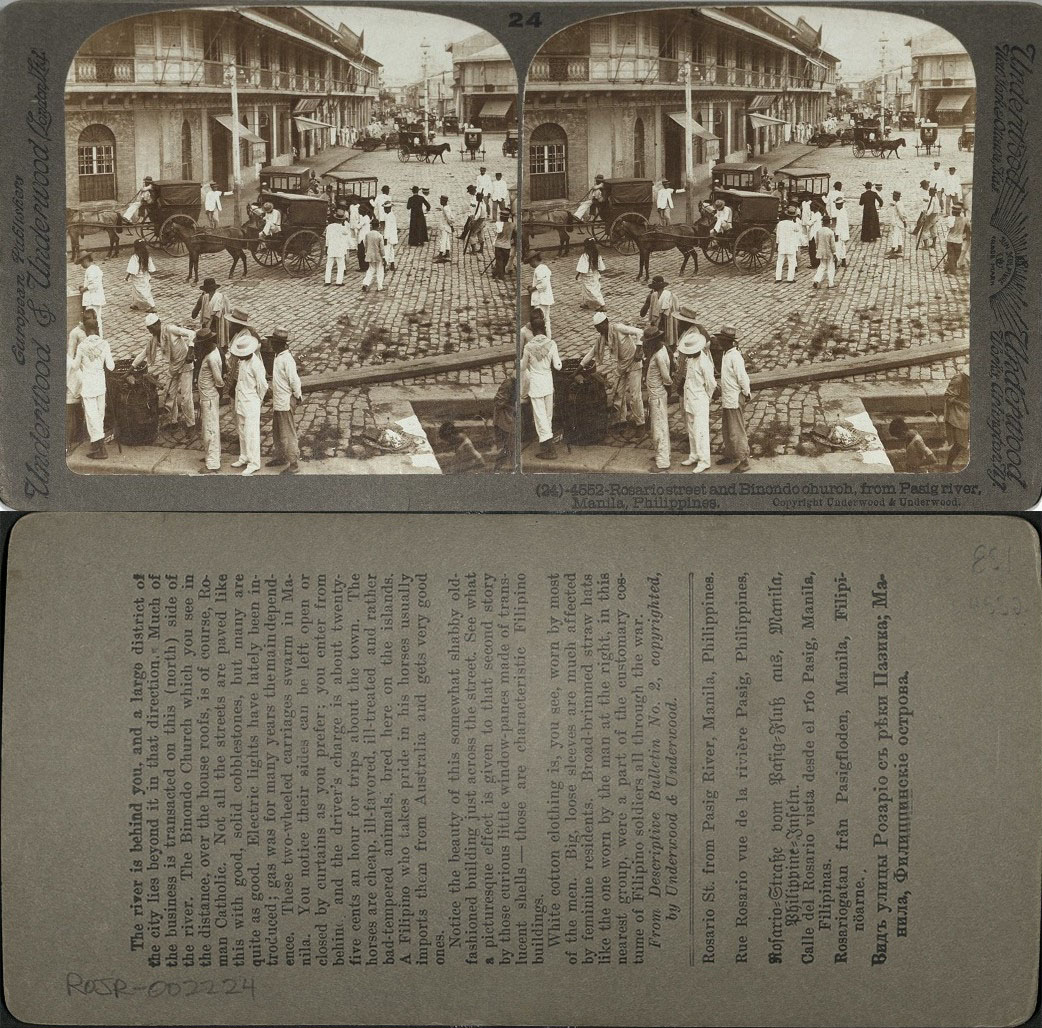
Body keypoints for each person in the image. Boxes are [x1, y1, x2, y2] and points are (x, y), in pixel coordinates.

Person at [133, 313, 197, 442]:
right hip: (173, 367)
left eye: (152, 328)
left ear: (158, 324)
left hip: (185, 365)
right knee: (169, 394)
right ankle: (173, 422)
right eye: (148, 329)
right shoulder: (155, 339)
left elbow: (192, 334)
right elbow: (144, 353)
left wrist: (191, 350)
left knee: (186, 397)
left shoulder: (171, 329)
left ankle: (191, 426)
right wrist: (132, 366)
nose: (150, 332)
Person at [580, 312, 645, 430]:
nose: (598, 330)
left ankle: (640, 423)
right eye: (596, 328)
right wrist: (579, 368)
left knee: (635, 396)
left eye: (599, 327)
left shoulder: (618, 328)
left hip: (634, 363)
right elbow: (592, 352)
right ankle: (622, 420)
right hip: (621, 366)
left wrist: (638, 350)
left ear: (606, 323)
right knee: (618, 394)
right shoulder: (603, 338)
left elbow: (639, 332)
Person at [229, 319, 267, 476]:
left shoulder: (256, 364)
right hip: (241, 401)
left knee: (251, 433)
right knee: (242, 431)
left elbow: (263, 386)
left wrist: (258, 400)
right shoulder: (242, 362)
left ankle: (254, 462)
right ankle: (244, 456)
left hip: (251, 402)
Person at [519, 323, 562, 460]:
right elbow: (558, 366)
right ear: (544, 330)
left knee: (540, 416)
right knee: (548, 415)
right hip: (548, 383)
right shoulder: (552, 343)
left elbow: (523, 367)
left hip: (536, 385)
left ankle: (550, 449)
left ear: (532, 332)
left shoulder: (528, 347)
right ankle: (545, 443)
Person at [677, 326, 716, 473]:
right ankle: (694, 455)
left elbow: (711, 383)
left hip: (700, 400)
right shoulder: (690, 360)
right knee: (692, 429)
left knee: (701, 431)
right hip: (690, 399)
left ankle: (704, 460)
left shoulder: (704, 362)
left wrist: (706, 397)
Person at [71, 331, 114, 460]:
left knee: (92, 415)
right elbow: (111, 367)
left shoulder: (82, 346)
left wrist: (73, 357)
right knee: (99, 415)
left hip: (89, 385)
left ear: (86, 331)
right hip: (100, 384)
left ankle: (101, 448)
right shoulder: (104, 344)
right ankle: (96, 444)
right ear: (97, 329)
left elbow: (74, 366)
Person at [268, 327, 302, 474]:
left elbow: (294, 380)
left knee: (287, 432)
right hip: (278, 400)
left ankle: (294, 463)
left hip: (285, 401)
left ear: (280, 344)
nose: (270, 345)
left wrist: (298, 395)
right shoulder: (278, 356)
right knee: (277, 431)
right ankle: (281, 456)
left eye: (273, 342)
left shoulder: (287, 359)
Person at [717, 326, 751, 473]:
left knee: (736, 430)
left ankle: (744, 460)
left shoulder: (735, 356)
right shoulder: (727, 354)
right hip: (727, 397)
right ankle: (731, 454)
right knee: (727, 428)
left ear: (729, 342)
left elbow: (742, 377)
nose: (719, 343)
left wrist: (746, 392)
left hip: (734, 397)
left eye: (721, 341)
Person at [66, 309, 98, 455]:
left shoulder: (94, 329)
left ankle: (84, 435)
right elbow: (70, 357)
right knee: (72, 407)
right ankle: (69, 441)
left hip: (90, 373)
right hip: (78, 374)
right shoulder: (75, 333)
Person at [644, 327, 673, 473]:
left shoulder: (659, 356)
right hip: (656, 394)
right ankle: (664, 454)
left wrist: (667, 386)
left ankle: (662, 462)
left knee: (659, 427)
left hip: (657, 395)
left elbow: (666, 378)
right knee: (661, 425)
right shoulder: (661, 351)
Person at [195, 329, 224, 474]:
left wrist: (216, 393)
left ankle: (213, 464)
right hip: (208, 396)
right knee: (210, 428)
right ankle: (213, 455)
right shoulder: (213, 352)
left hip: (209, 398)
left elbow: (219, 381)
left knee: (210, 430)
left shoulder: (212, 358)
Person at [943, 369, 970, 468]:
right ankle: (948, 465)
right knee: (960, 443)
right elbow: (948, 397)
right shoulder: (958, 379)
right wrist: (962, 404)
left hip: (966, 412)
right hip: (957, 413)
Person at [125, 239, 156, 312]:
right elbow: (150, 268)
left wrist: (127, 276)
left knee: (142, 292)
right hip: (144, 277)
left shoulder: (135, 257)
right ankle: (136, 304)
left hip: (137, 277)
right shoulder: (147, 256)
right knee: (136, 291)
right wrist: (149, 276)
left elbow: (131, 269)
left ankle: (153, 306)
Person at [78, 253, 106, 335]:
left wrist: (84, 289)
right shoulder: (95, 268)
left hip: (92, 299)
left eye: (81, 262)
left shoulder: (90, 270)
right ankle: (99, 335)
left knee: (91, 320)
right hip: (96, 298)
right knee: (97, 318)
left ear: (86, 260)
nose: (81, 265)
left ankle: (96, 335)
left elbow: (94, 284)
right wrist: (85, 286)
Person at [492, 374, 515, 468]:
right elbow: (499, 402)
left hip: (508, 421)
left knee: (508, 450)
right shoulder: (510, 383)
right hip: (506, 422)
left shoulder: (511, 382)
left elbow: (498, 402)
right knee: (508, 449)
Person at [575, 238, 606, 310]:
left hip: (587, 275)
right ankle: (586, 303)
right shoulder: (596, 254)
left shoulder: (585, 255)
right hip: (594, 274)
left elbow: (581, 267)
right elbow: (600, 266)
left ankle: (602, 305)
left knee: (591, 291)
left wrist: (578, 274)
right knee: (588, 289)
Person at [528, 252, 554, 338]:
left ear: (534, 260)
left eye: (530, 262)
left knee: (539, 321)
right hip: (545, 298)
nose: (530, 265)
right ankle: (548, 338)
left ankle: (542, 338)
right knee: (546, 320)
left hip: (540, 299)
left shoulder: (539, 269)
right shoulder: (544, 268)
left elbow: (543, 284)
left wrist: (532, 288)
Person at [324, 210, 350, 286]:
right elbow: (347, 232)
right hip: (339, 249)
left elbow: (327, 239)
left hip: (331, 248)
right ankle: (339, 281)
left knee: (328, 265)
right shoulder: (343, 228)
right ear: (342, 220)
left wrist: (326, 247)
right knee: (340, 266)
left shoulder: (329, 227)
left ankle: (327, 281)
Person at [775, 206, 800, 283]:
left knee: (779, 262)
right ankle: (790, 278)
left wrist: (777, 244)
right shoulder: (794, 224)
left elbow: (777, 235)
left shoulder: (780, 223)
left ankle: (778, 278)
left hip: (782, 245)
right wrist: (795, 221)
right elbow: (798, 229)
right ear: (793, 216)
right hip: (790, 246)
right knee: (792, 262)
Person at [812, 215, 837, 289]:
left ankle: (816, 280)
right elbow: (832, 244)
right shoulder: (830, 232)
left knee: (822, 266)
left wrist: (817, 250)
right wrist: (834, 253)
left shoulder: (819, 231)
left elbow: (816, 242)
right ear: (829, 223)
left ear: (822, 223)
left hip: (821, 252)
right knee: (830, 267)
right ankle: (831, 283)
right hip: (829, 253)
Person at [459, 185, 485, 254]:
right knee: (480, 234)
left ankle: (474, 250)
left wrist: (473, 220)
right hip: (482, 220)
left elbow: (478, 214)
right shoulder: (482, 203)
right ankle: (481, 249)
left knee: (472, 234)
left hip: (478, 220)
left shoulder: (479, 204)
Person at [946, 203, 970, 273]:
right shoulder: (965, 219)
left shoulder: (950, 219)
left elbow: (949, 227)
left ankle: (949, 267)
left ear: (953, 212)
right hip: (958, 241)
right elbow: (969, 226)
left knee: (950, 255)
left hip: (950, 240)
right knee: (956, 256)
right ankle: (952, 269)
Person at [361, 223, 386, 292]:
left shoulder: (367, 234)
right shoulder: (379, 236)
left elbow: (365, 244)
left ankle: (365, 283)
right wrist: (384, 256)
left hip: (370, 255)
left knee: (371, 269)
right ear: (378, 226)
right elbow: (382, 248)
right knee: (380, 270)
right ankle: (380, 287)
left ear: (371, 226)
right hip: (378, 256)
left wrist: (366, 252)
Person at [493, 211, 515, 280]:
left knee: (499, 260)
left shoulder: (498, 224)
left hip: (499, 245)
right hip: (507, 246)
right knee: (505, 260)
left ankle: (498, 274)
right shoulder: (512, 225)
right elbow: (514, 234)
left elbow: (497, 232)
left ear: (501, 217)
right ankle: (499, 273)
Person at [885, 190, 907, 258]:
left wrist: (904, 221)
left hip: (897, 222)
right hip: (897, 222)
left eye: (894, 196)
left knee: (895, 235)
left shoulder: (898, 205)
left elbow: (901, 214)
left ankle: (893, 248)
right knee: (899, 235)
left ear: (897, 197)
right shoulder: (898, 203)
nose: (893, 197)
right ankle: (899, 248)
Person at [433, 195, 454, 263]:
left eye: (441, 200)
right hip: (446, 226)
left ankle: (441, 253)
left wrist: (451, 225)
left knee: (443, 240)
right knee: (447, 239)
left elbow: (449, 218)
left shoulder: (445, 209)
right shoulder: (446, 207)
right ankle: (447, 252)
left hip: (445, 226)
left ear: (444, 201)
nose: (440, 201)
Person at [380, 201, 398, 272]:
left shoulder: (388, 217)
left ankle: (385, 266)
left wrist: (385, 238)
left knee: (386, 251)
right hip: (392, 236)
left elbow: (387, 228)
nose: (384, 210)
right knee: (391, 250)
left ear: (389, 208)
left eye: (385, 208)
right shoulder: (392, 215)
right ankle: (392, 264)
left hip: (388, 236)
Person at [833, 197, 850, 267]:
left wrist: (836, 234)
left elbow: (839, 225)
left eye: (837, 204)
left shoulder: (840, 213)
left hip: (840, 233)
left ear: (841, 204)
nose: (836, 206)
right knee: (842, 247)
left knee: (837, 247)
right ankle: (843, 262)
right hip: (844, 233)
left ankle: (835, 263)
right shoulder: (843, 211)